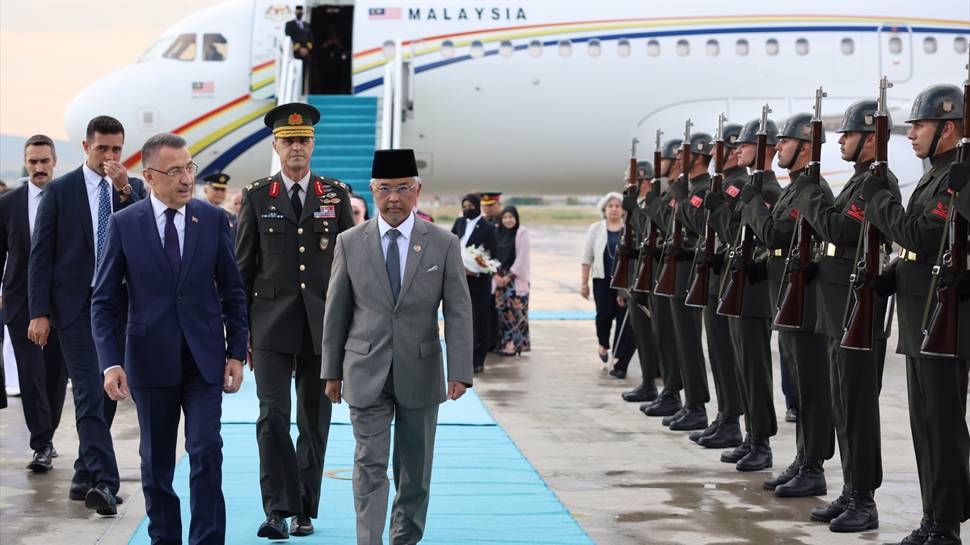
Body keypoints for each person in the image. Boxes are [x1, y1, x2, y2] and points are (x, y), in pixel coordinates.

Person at [92, 133, 248, 545]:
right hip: (148, 361)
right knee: (156, 463)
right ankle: (165, 538)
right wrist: (110, 363)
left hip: (204, 360)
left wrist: (237, 353)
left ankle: (207, 539)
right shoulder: (125, 224)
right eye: (175, 170)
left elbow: (233, 291)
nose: (186, 178)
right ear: (148, 176)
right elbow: (104, 301)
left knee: (205, 449)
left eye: (190, 167)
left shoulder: (213, 219)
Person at [322, 148, 474, 545]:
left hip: (421, 370)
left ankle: (404, 538)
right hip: (364, 369)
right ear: (372, 190)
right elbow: (336, 311)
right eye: (385, 189)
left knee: (414, 468)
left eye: (403, 188)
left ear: (418, 190)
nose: (394, 198)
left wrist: (460, 370)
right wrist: (331, 371)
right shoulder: (349, 242)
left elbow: (458, 311)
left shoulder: (443, 243)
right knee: (369, 463)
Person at [235, 102, 355, 539]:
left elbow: (348, 268)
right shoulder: (255, 195)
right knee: (271, 416)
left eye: (303, 141)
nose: (296, 148)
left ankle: (304, 506)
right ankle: (276, 509)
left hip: (321, 329)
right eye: (288, 141)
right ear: (276, 145)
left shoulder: (335, 195)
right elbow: (241, 270)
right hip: (268, 327)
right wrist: (239, 333)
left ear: (312, 145)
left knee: (313, 420)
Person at [862, 84, 968, 545]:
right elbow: (920, 250)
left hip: (944, 321)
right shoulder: (936, 175)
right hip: (920, 314)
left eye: (919, 125)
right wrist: (893, 276)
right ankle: (932, 518)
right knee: (925, 426)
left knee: (942, 427)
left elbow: (921, 237)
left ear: (948, 129)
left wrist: (877, 201)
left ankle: (945, 525)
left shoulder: (958, 177)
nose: (910, 134)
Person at [28, 115, 146, 514]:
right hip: (75, 309)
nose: (110, 156)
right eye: (102, 149)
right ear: (85, 147)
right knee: (89, 392)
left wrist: (125, 189)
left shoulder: (132, 189)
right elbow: (40, 256)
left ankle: (83, 471)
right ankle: (105, 483)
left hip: (119, 306)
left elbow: (149, 231)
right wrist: (39, 312)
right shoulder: (61, 192)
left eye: (116, 149)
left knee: (110, 391)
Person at [792, 99, 900, 532]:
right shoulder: (859, 182)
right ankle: (851, 489)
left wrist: (809, 193)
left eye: (850, 134)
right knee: (843, 403)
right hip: (838, 308)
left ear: (871, 139)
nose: (842, 140)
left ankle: (864, 498)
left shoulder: (879, 182)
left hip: (858, 310)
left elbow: (839, 230)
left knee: (857, 407)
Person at [743, 113, 836, 496]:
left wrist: (752, 206)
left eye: (785, 141)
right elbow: (778, 243)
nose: (778, 147)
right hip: (785, 295)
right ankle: (802, 459)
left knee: (812, 389)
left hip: (806, 303)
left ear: (806, 147)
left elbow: (775, 233)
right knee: (799, 384)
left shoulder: (813, 189)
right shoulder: (794, 188)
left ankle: (814, 466)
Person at [705, 117, 781, 470]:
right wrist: (718, 209)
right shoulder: (752, 187)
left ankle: (761, 442)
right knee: (743, 368)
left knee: (755, 370)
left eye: (744, 145)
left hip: (754, 292)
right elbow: (736, 234)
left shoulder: (768, 191)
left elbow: (769, 237)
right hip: (738, 287)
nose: (738, 151)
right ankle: (752, 438)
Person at [0, 135, 69, 472]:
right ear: (25, 163)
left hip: (61, 302)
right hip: (19, 301)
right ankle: (41, 443)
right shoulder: (8, 203)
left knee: (56, 374)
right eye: (33, 161)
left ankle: (48, 434)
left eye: (44, 161)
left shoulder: (69, 199)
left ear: (54, 161)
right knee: (30, 374)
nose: (39, 167)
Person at [677, 129, 744, 446]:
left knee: (728, 356)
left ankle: (732, 420)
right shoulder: (719, 186)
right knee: (717, 353)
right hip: (714, 276)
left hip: (728, 277)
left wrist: (707, 207)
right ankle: (724, 416)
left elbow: (713, 225)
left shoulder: (736, 186)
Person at [640, 139, 686, 417]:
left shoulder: (683, 193)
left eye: (666, 159)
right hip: (663, 273)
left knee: (682, 344)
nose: (660, 166)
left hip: (679, 274)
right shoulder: (671, 193)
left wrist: (653, 204)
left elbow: (670, 225)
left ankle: (688, 401)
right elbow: (650, 226)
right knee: (665, 338)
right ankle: (670, 392)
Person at [580, 192, 635, 376]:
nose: (614, 209)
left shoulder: (629, 228)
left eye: (617, 206)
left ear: (622, 210)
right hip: (601, 280)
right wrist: (584, 283)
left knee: (622, 319)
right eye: (610, 206)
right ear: (604, 209)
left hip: (623, 282)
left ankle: (618, 358)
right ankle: (603, 344)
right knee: (603, 315)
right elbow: (587, 257)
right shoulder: (595, 228)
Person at [618, 160, 660, 402]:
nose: (627, 186)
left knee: (652, 334)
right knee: (640, 333)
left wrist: (634, 211)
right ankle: (647, 383)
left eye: (631, 182)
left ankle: (656, 382)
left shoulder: (651, 203)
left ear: (643, 182)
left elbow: (650, 231)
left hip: (650, 277)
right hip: (635, 275)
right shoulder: (636, 206)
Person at [451, 193, 498, 373]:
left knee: (479, 320)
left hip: (478, 280)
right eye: (465, 206)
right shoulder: (460, 222)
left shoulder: (487, 227)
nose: (467, 209)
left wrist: (477, 267)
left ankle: (478, 359)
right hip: (459, 279)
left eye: (471, 206)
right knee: (462, 320)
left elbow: (494, 255)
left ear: (478, 206)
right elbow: (451, 242)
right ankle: (462, 358)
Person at [492, 205, 531, 356]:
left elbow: (522, 259)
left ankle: (514, 345)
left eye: (511, 217)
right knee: (502, 313)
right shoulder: (496, 232)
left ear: (516, 218)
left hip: (515, 280)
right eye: (505, 217)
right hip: (499, 279)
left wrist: (509, 276)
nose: (508, 220)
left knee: (516, 314)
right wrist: (495, 275)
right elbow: (491, 255)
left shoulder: (522, 233)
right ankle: (504, 343)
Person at [284, 5, 313, 92]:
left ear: (303, 13)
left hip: (306, 53)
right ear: (295, 12)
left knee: (304, 73)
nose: (299, 13)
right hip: (295, 53)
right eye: (298, 12)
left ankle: (302, 91)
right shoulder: (289, 24)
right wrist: (299, 48)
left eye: (300, 12)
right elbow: (288, 37)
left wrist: (307, 48)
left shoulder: (307, 25)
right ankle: (294, 91)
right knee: (295, 74)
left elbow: (311, 38)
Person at [203, 172, 237, 236]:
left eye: (223, 189)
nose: (220, 192)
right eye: (216, 189)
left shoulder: (230, 216)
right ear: (205, 190)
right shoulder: (198, 212)